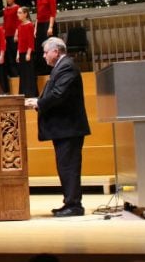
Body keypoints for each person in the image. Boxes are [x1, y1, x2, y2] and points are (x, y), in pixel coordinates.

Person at [25, 37, 91, 217]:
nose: (44, 56)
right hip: (65, 128)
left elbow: (58, 94)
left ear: (56, 51)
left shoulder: (67, 66)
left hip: (69, 127)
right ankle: (69, 202)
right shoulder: (61, 67)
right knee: (65, 166)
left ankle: (74, 206)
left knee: (69, 167)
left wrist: (39, 103)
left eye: (46, 52)